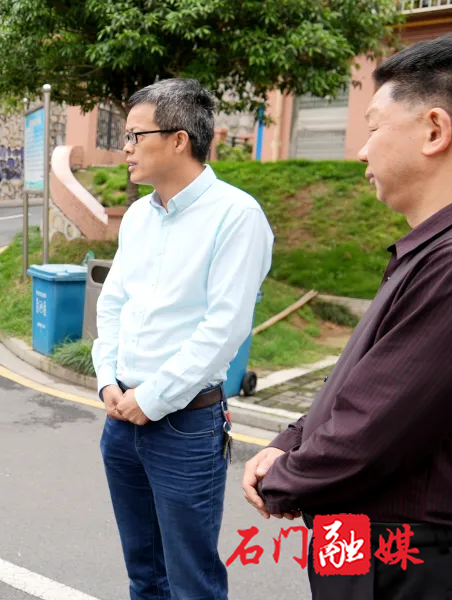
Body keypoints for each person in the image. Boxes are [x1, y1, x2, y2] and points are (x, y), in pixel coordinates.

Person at [244, 34, 452, 600]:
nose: (361, 152)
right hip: (355, 534)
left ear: (434, 131)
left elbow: (374, 426)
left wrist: (281, 478)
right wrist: (291, 440)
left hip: (400, 550)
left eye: (374, 128)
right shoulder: (423, 250)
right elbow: (356, 381)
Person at [91, 78, 274, 600]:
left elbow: (224, 329)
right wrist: (108, 380)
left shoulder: (236, 215)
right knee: (144, 573)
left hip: (184, 425)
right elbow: (114, 303)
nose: (125, 148)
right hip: (121, 419)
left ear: (178, 140)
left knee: (192, 581)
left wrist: (151, 398)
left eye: (135, 135)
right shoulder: (139, 216)